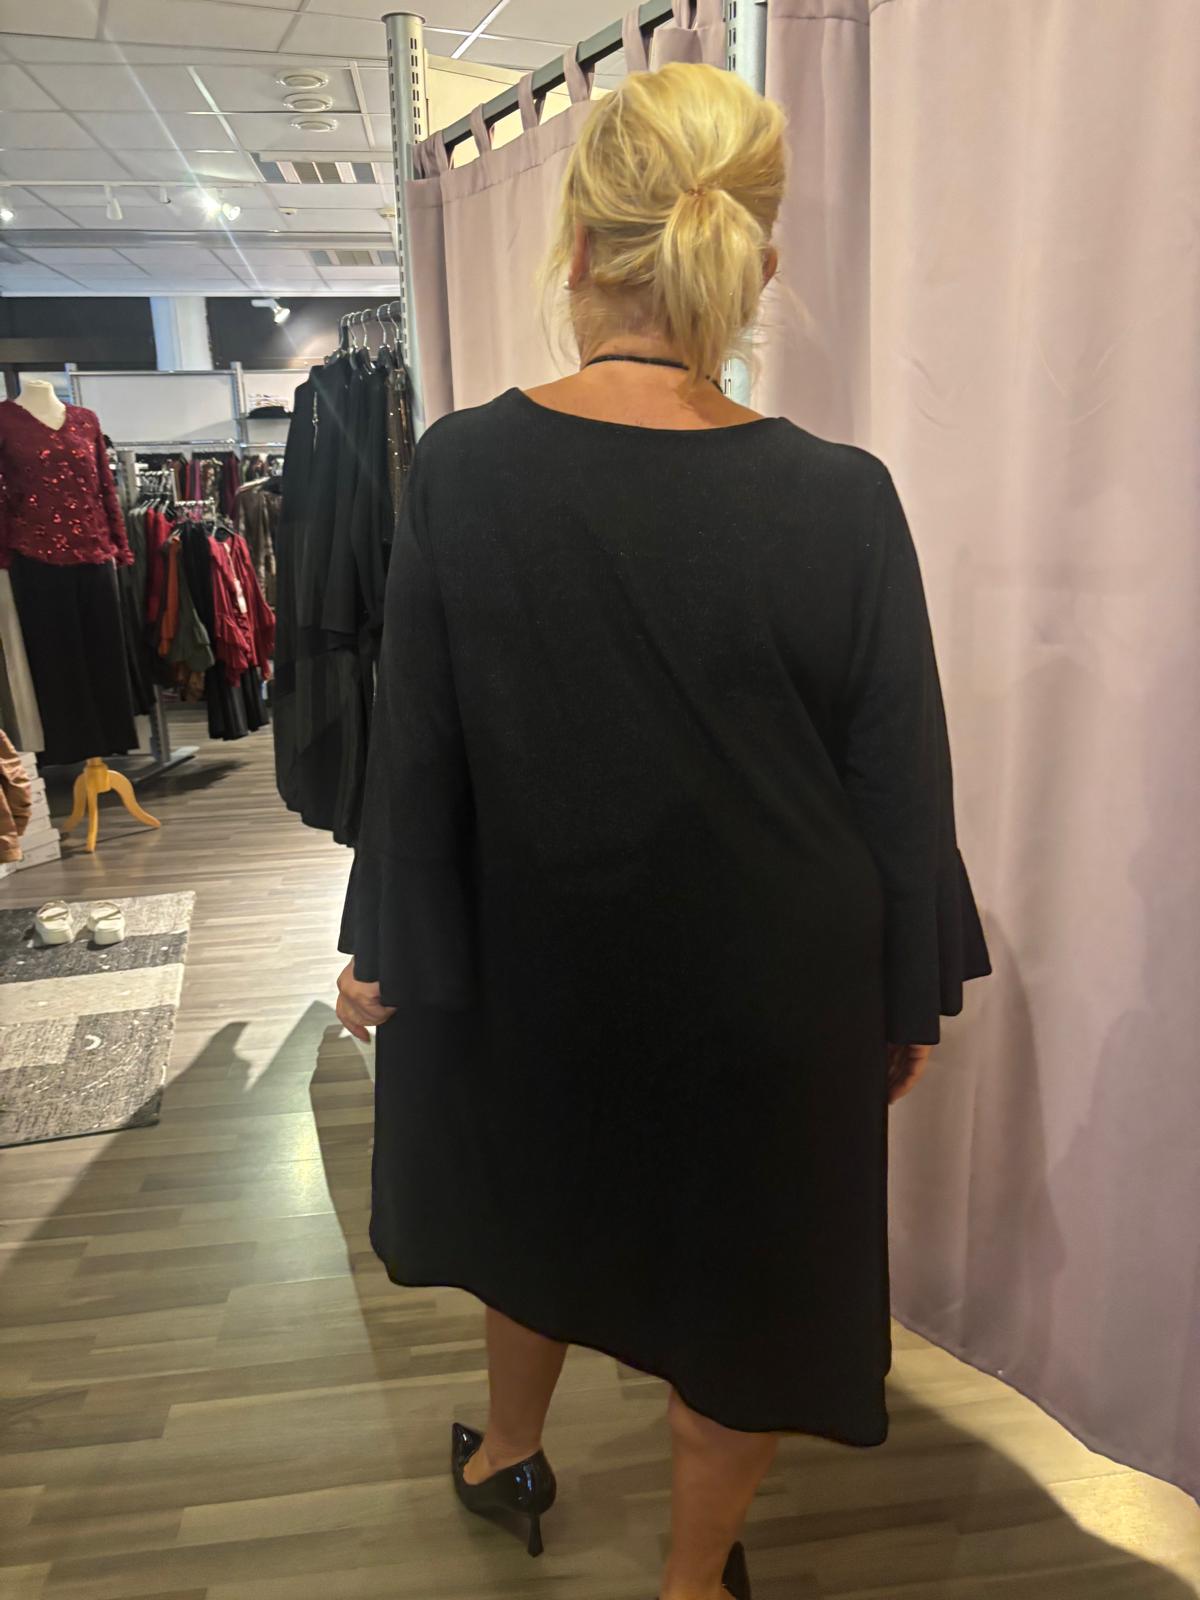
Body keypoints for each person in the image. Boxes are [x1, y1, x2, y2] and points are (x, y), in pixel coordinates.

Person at [336, 60, 991, 1600]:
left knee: (529, 1201)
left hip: (536, 959)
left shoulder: (463, 470)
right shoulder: (844, 497)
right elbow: (899, 778)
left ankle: (509, 1457)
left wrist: (387, 952)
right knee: (749, 1292)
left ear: (574, 247)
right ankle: (693, 1582)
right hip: (776, 990)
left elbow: (418, 752)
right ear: (755, 263)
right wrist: (901, 996)